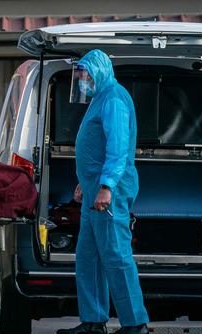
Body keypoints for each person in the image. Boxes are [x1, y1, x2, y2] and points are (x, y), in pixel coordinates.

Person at [57, 50, 149, 334]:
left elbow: (118, 147)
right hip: (94, 191)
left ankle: (135, 324)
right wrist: (84, 184)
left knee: (116, 256)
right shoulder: (100, 99)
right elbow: (93, 147)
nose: (82, 80)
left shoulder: (114, 98)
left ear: (98, 71)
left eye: (85, 74)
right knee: (89, 257)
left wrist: (107, 186)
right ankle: (94, 321)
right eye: (80, 75)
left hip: (110, 192)